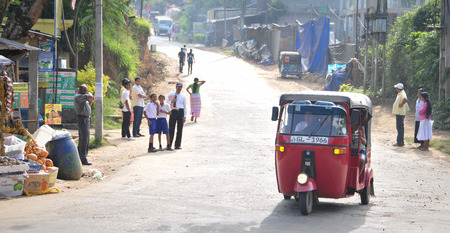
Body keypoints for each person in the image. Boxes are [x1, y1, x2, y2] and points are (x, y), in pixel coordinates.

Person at [74, 84, 94, 165]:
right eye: (84, 90)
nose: (85, 92)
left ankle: (83, 156)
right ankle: (83, 158)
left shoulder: (83, 98)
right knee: (83, 139)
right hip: (82, 119)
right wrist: (89, 94)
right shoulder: (78, 97)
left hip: (86, 118)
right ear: (80, 90)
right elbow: (90, 96)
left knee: (86, 138)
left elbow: (90, 100)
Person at [167, 82, 187, 149]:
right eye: (178, 87)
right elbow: (166, 102)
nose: (179, 88)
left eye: (180, 87)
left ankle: (177, 144)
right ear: (176, 87)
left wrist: (185, 116)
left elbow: (185, 106)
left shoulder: (183, 96)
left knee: (180, 129)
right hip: (173, 111)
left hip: (180, 111)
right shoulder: (171, 94)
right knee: (171, 128)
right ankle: (169, 144)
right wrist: (172, 101)